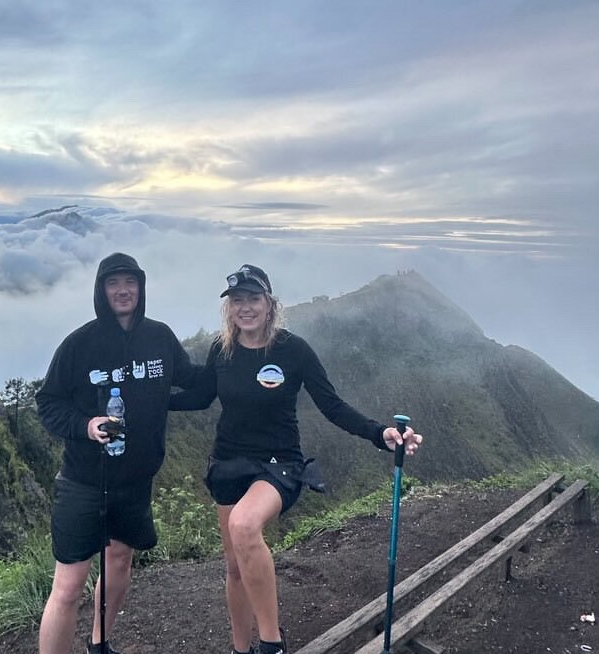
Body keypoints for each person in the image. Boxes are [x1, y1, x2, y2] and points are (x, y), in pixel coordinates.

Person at [170, 264, 423, 654]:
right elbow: (201, 396)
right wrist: (148, 403)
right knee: (235, 568)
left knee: (243, 526)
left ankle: (272, 644)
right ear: (229, 307)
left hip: (278, 465)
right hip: (228, 464)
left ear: (270, 304)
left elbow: (332, 405)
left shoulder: (293, 350)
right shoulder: (222, 350)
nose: (245, 307)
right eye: (237, 300)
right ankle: (240, 649)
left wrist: (379, 434)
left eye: (253, 299)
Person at [35, 252, 201, 654]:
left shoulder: (160, 338)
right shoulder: (79, 344)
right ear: (101, 290)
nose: (123, 290)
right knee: (69, 585)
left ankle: (99, 643)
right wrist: (86, 425)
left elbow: (196, 384)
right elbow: (48, 403)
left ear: (141, 287)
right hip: (83, 482)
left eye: (130, 282)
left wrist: (238, 360)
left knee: (120, 561)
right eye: (114, 283)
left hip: (134, 481)